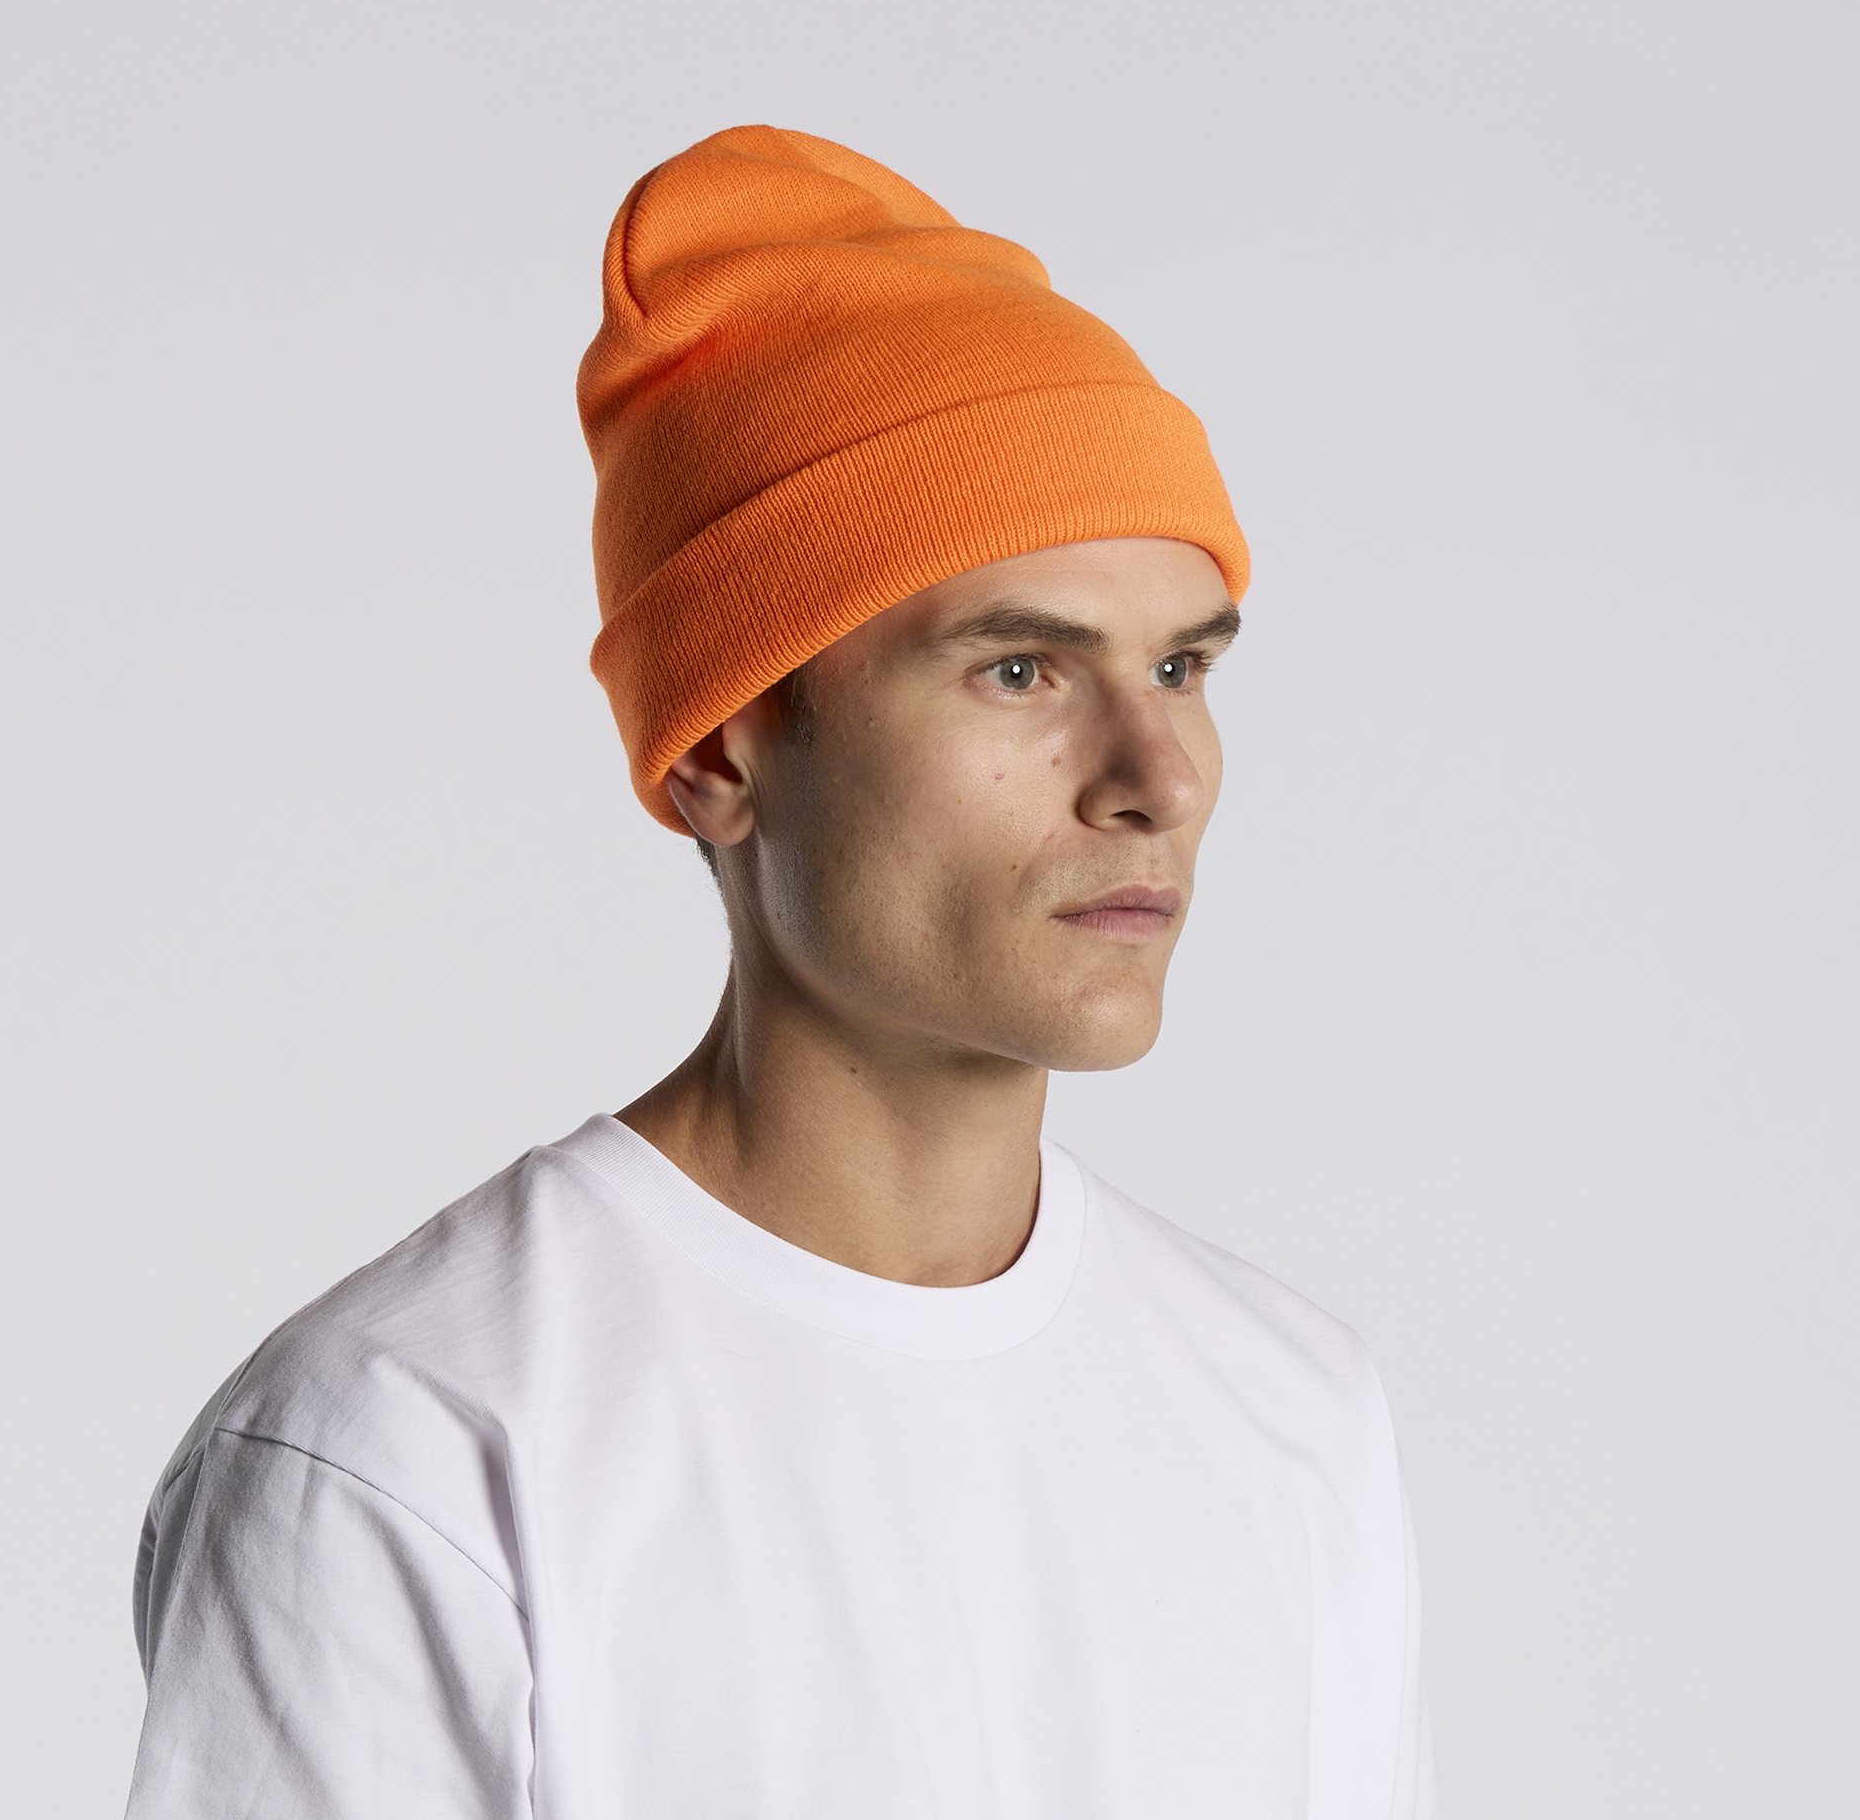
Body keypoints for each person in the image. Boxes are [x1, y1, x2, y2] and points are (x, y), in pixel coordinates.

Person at [124, 125, 1441, 1819]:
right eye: (1022, 668)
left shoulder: (1293, 1414)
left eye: (1182, 667)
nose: (1157, 777)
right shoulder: (415, 1445)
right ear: (719, 753)